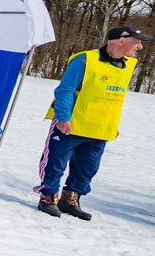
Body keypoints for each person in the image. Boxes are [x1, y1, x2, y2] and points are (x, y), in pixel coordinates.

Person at [35, 24, 149, 220]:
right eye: (137, 42)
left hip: (100, 127)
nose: (139, 47)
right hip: (72, 123)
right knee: (56, 162)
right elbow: (65, 90)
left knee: (87, 168)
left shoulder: (128, 65)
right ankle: (48, 197)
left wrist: (113, 124)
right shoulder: (85, 60)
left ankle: (70, 199)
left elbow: (112, 96)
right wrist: (63, 117)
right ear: (121, 41)